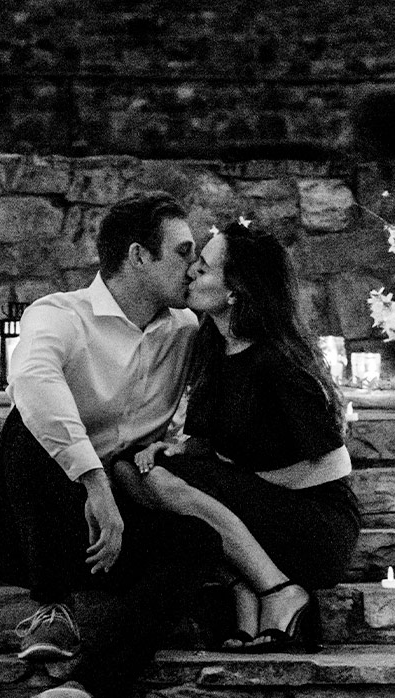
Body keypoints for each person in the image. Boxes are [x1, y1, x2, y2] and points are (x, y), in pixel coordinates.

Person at [0, 191, 223, 698]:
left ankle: (83, 697)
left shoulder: (185, 332)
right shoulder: (60, 314)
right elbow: (35, 381)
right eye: (184, 252)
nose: (195, 266)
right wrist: (95, 482)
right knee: (28, 424)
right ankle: (51, 609)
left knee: (197, 543)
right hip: (31, 528)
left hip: (106, 538)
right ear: (139, 256)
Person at [116, 219, 359, 652]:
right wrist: (181, 447)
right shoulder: (212, 347)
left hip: (313, 526)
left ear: (235, 289)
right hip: (259, 512)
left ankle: (277, 590)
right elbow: (223, 438)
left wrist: (244, 484)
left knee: (158, 477)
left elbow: (335, 462)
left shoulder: (278, 362)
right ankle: (243, 584)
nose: (191, 271)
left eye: (204, 268)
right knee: (128, 468)